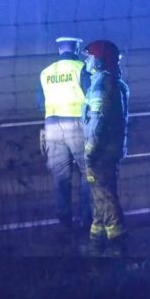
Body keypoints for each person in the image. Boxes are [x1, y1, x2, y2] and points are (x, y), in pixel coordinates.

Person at [37, 36, 92, 231]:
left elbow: (39, 102)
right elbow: (91, 95)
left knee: (61, 175)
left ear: (60, 49)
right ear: (76, 48)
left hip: (52, 124)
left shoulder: (46, 72)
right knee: (88, 172)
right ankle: (86, 218)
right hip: (76, 123)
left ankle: (64, 220)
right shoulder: (81, 68)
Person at [80, 39, 129, 254]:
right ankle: (96, 243)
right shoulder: (112, 82)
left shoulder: (102, 84)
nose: (87, 62)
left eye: (90, 57)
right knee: (99, 197)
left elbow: (98, 120)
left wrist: (91, 150)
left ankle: (118, 245)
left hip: (100, 152)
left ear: (99, 61)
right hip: (110, 150)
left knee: (104, 197)